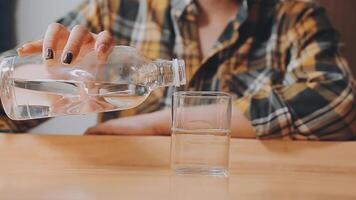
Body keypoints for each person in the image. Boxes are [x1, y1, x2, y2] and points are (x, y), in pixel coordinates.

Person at [1, 0, 355, 140]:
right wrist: (57, 76)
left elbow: (337, 101)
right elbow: (8, 113)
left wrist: (156, 122)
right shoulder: (116, 8)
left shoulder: (294, 16)